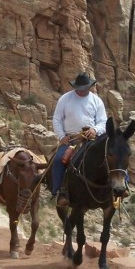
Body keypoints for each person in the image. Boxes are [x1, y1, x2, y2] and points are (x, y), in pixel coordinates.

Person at [51, 72, 107, 206]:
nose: (81, 91)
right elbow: (57, 119)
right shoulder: (65, 99)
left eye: (84, 89)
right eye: (79, 89)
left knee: (112, 155)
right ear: (75, 87)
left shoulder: (96, 101)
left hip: (92, 139)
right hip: (71, 139)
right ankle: (59, 192)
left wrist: (95, 130)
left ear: (89, 87)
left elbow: (103, 121)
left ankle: (121, 186)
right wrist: (61, 136)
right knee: (59, 160)